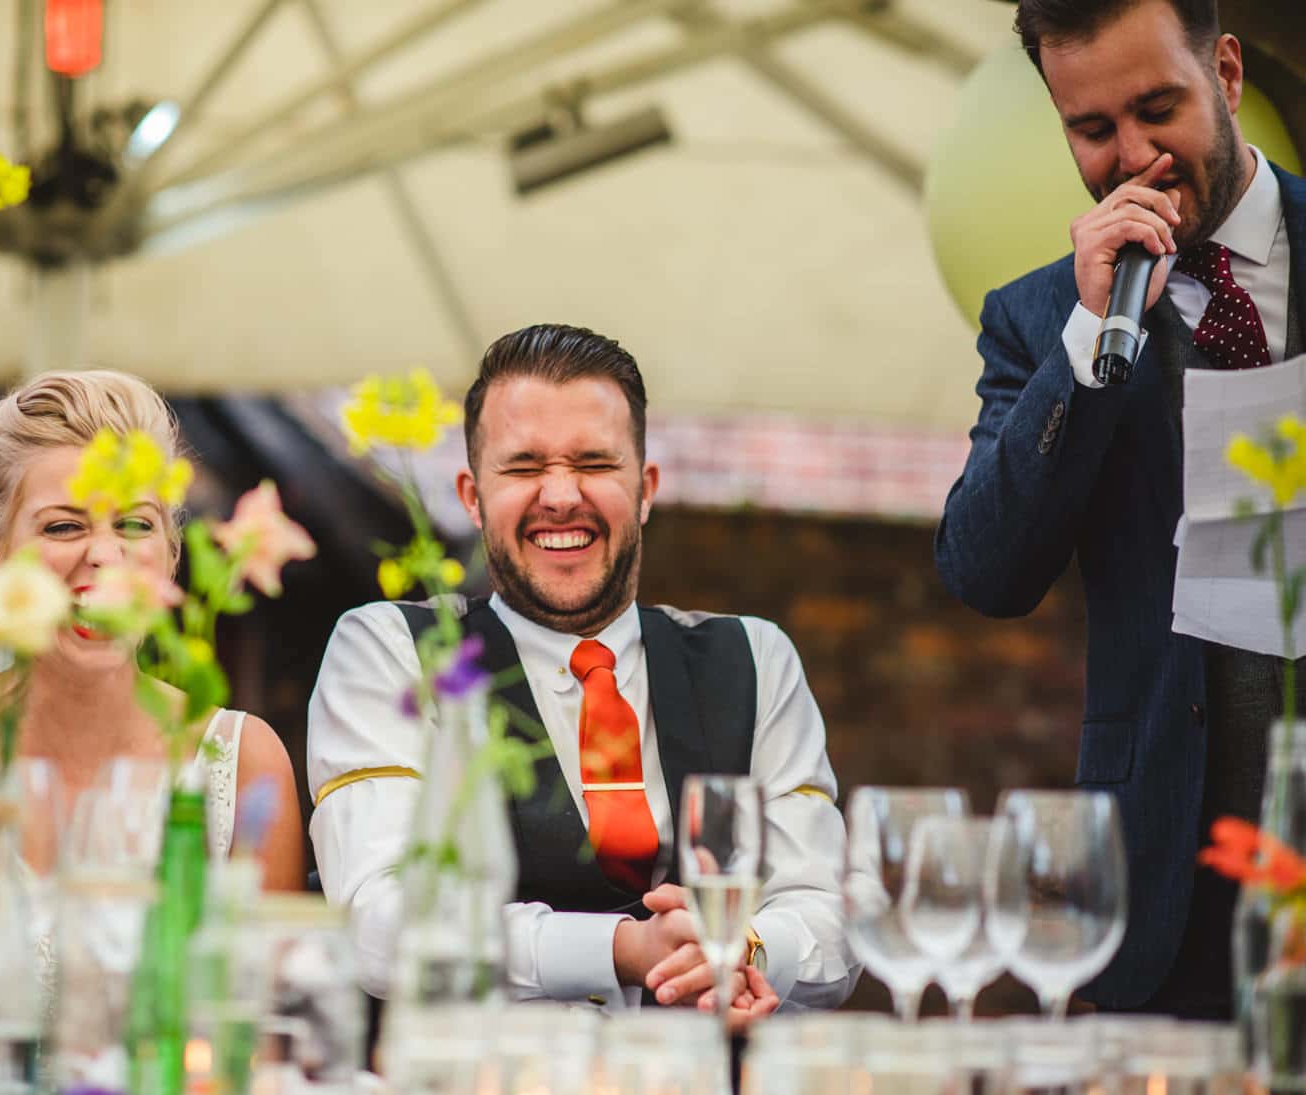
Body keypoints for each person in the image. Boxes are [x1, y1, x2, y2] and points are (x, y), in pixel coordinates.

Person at [309, 324, 858, 1021]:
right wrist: (622, 947)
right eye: (525, 466)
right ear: (472, 496)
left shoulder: (757, 659)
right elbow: (379, 923)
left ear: (647, 488)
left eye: (595, 463)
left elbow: (832, 925)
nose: (561, 495)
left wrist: (741, 948)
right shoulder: (388, 650)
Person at [935, 0, 1306, 1017]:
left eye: (1156, 109)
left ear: (1223, 76)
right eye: (1091, 131)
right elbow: (983, 571)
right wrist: (1087, 340)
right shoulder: (1037, 318)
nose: (1132, 156)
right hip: (1166, 890)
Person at [0, 370, 304, 889]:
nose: (106, 556)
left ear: (172, 552)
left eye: (135, 525)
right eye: (64, 526)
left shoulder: (245, 764)